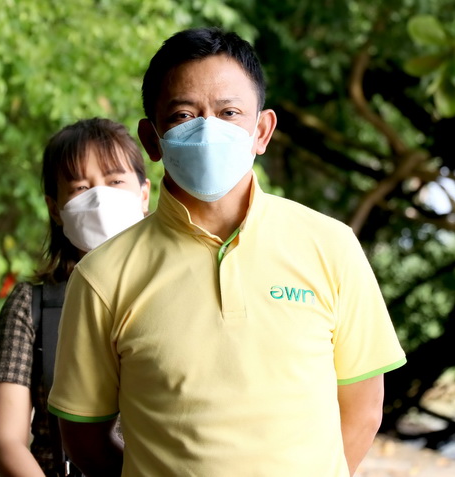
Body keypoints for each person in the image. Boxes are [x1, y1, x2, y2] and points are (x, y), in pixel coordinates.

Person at [47, 27, 407, 477]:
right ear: (152, 139)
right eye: (183, 115)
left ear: (262, 131)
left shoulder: (331, 246)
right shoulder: (102, 277)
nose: (207, 129)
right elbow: (84, 439)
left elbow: (363, 411)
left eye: (229, 112)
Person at [0, 118, 150, 477]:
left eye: (115, 181)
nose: (99, 198)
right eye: (80, 188)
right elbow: (4, 443)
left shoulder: (176, 289)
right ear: (55, 208)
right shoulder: (32, 304)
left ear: (144, 194)